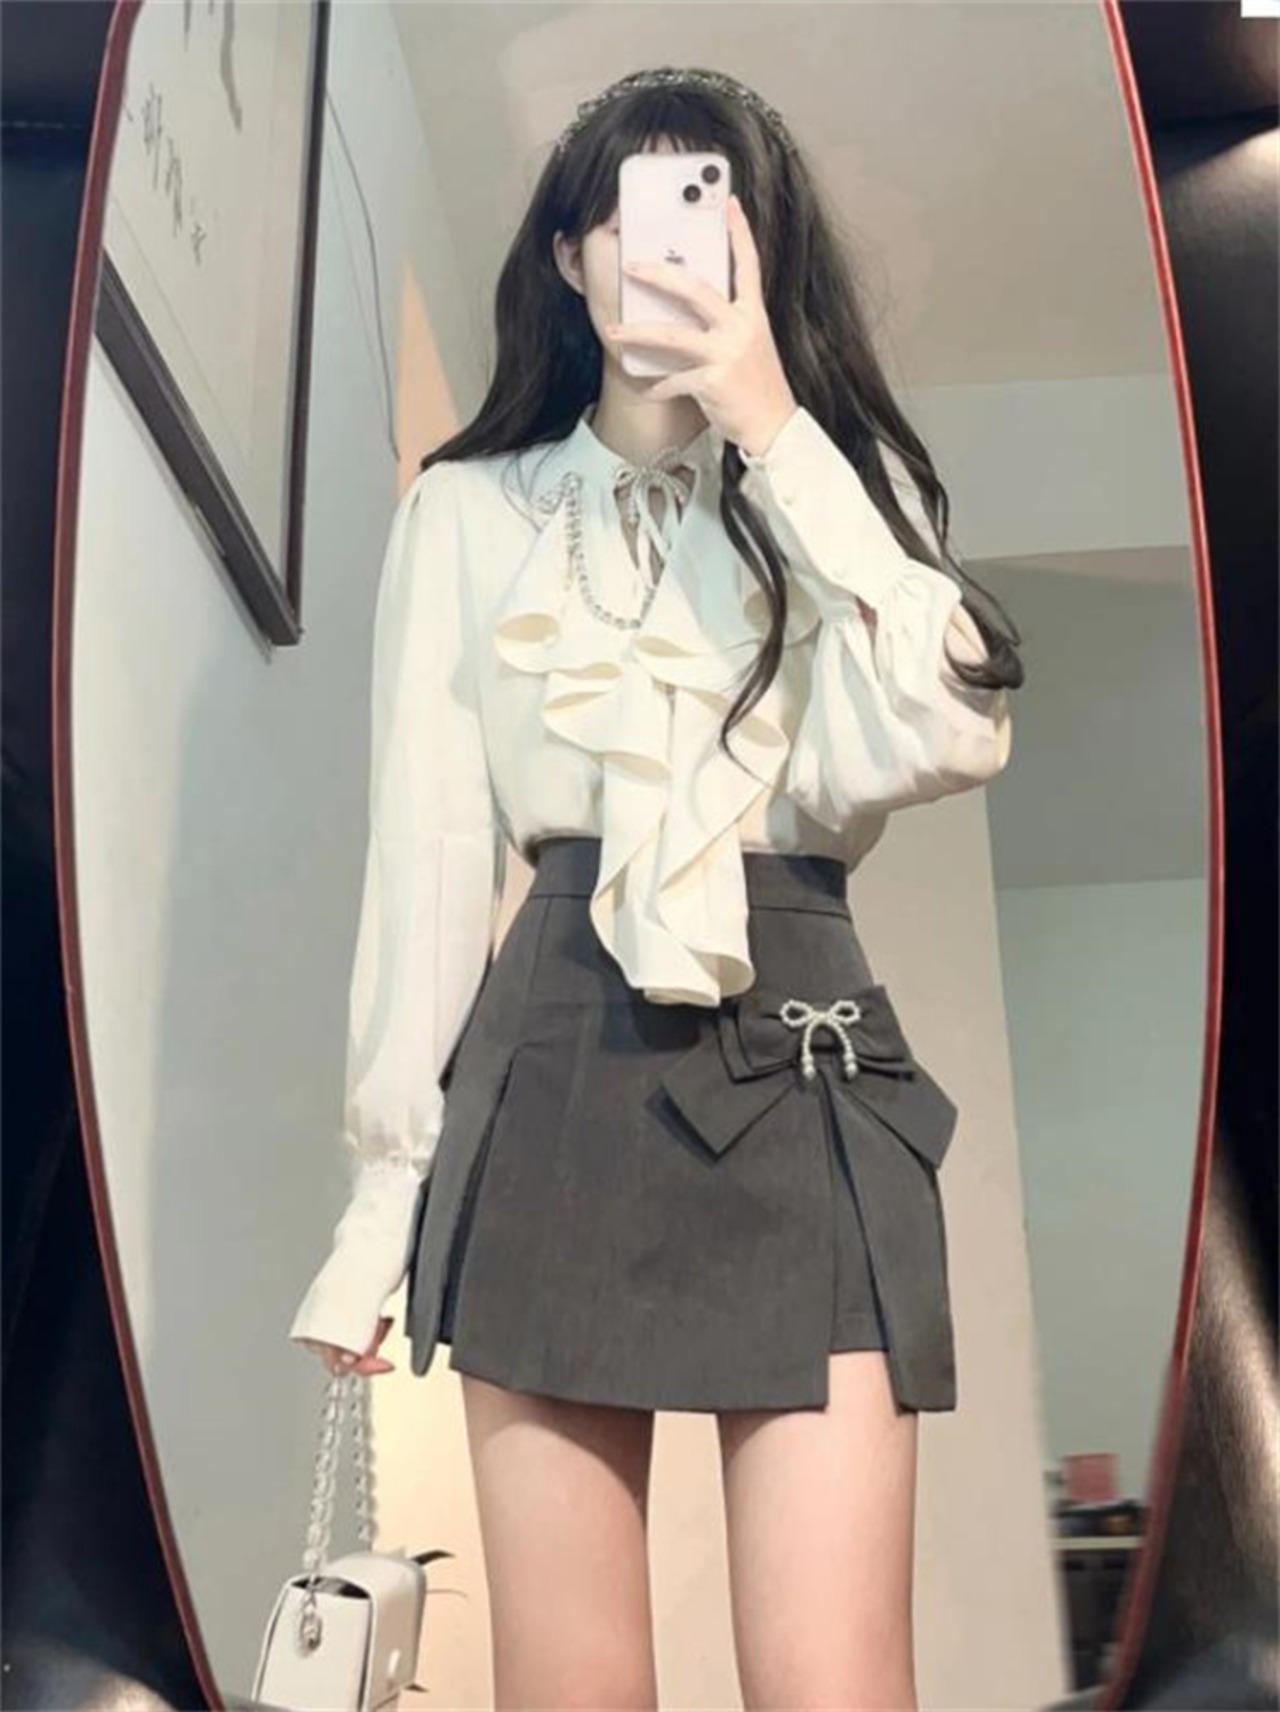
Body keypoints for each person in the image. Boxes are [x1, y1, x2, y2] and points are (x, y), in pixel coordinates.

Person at [290, 65, 1022, 1711]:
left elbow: (951, 726)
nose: (659, 246)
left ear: (761, 252)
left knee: (837, 1682)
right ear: (568, 254)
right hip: (554, 1047)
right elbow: (426, 864)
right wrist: (380, 1206)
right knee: (573, 1688)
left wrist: (774, 425)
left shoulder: (849, 496)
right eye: (624, 209)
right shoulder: (469, 513)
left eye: (706, 205)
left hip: (806, 1047)